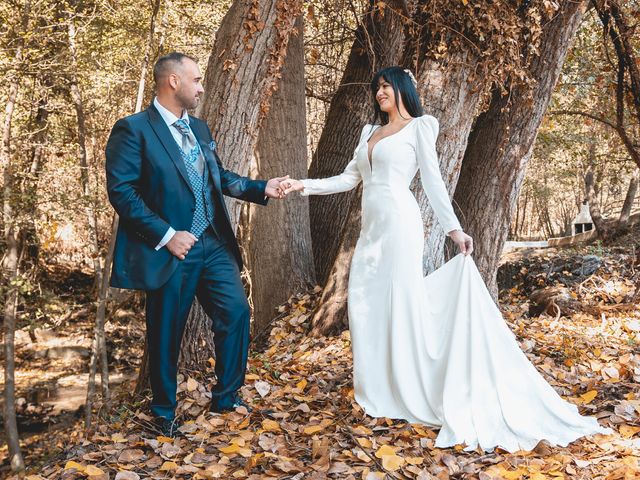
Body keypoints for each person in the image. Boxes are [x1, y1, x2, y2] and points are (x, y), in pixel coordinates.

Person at [281, 66, 611, 452]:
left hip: (402, 227)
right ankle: (377, 388)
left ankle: (410, 386)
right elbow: (347, 179)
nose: (379, 92)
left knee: (401, 303)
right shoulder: (367, 133)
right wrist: (300, 184)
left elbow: (433, 180)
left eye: (386, 86)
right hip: (370, 233)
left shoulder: (421, 127)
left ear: (402, 88)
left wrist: (454, 228)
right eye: (377, 88)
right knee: (364, 304)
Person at [105, 52, 287, 436]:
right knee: (167, 330)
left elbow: (216, 178)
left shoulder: (200, 129)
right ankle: (163, 413)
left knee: (236, 313)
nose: (201, 87)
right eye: (196, 80)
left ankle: (227, 398)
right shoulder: (133, 129)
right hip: (170, 249)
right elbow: (122, 191)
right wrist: (168, 235)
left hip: (213, 243)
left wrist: (260, 188)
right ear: (173, 81)